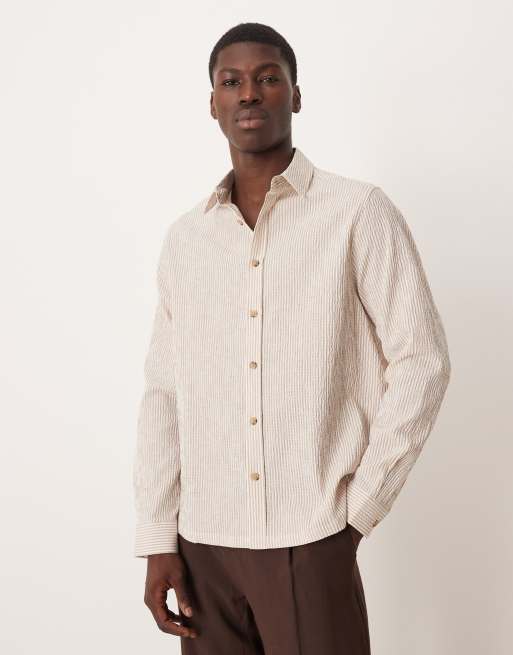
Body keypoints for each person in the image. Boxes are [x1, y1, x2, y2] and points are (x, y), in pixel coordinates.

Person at [132, 21, 451, 654]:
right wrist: (158, 538)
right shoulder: (187, 241)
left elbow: (423, 361)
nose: (249, 93)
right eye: (232, 82)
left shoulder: (357, 213)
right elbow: (164, 393)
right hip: (203, 547)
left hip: (311, 538)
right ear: (213, 103)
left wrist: (358, 510)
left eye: (268, 78)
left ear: (296, 95)